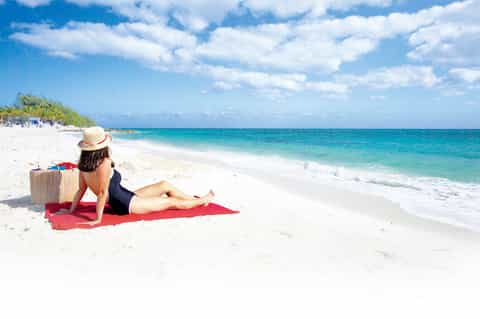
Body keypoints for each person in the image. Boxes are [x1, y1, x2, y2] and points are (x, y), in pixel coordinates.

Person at [57, 126, 214, 226]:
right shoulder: (103, 163)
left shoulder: (84, 166)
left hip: (128, 195)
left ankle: (193, 200)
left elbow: (81, 190)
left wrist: (71, 211)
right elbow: (102, 193)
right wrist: (98, 219)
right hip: (127, 205)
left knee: (164, 185)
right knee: (171, 201)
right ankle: (203, 200)